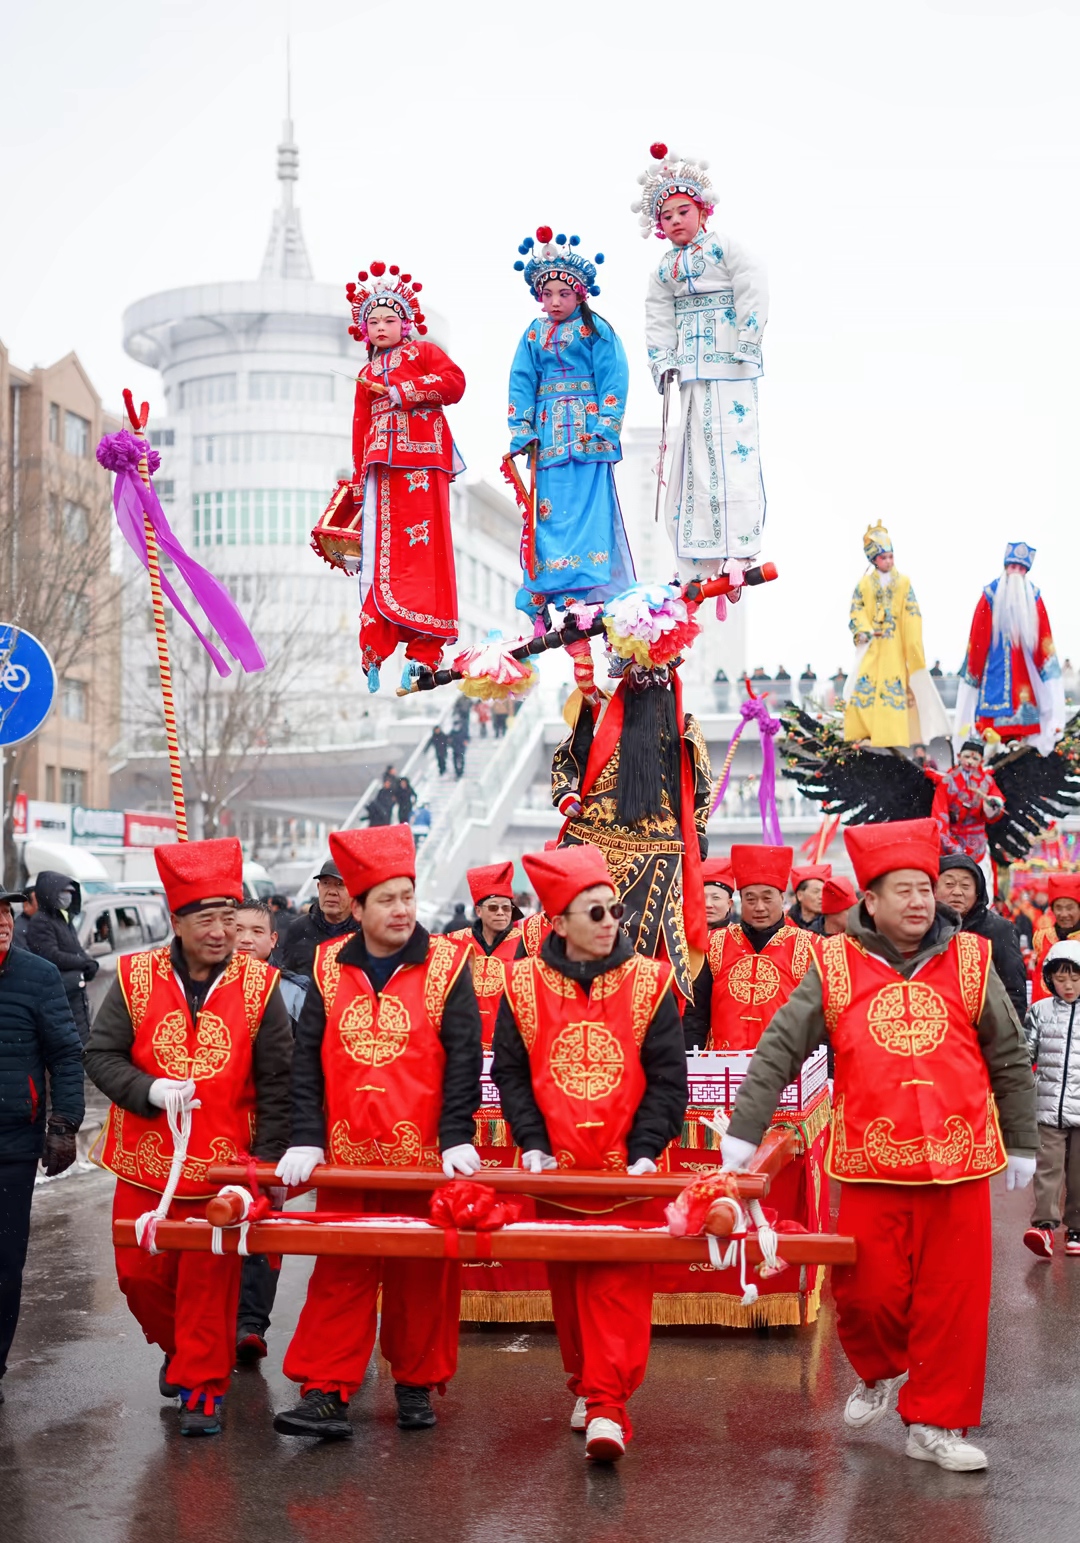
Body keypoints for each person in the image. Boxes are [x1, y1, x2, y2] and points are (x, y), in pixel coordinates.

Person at [722, 817, 1037, 1472]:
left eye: (927, 888)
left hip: (960, 1159)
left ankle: (937, 1422)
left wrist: (1024, 1139)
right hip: (870, 1157)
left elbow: (1007, 1053)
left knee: (954, 1301)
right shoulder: (835, 963)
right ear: (870, 899)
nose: (921, 900)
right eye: (904, 889)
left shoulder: (972, 959)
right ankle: (883, 1371)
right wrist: (744, 1128)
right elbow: (782, 1042)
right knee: (865, 1295)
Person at [272, 824, 483, 1440]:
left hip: (423, 1158)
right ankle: (325, 1390)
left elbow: (463, 1056)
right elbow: (306, 1059)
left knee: (422, 1278)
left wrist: (455, 1136)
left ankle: (415, 1385)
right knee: (342, 1274)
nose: (401, 910)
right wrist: (306, 1136)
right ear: (357, 908)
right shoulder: (328, 966)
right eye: (387, 899)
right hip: (346, 1157)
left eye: (408, 897)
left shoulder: (448, 964)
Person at [83, 838, 292, 1437]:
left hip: (223, 1170)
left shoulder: (261, 987)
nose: (222, 931)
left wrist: (270, 1166)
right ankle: (181, 1349)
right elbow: (101, 1055)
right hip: (143, 1160)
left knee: (210, 1278)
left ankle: (203, 1383)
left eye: (230, 918)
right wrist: (147, 1089)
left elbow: (278, 1079)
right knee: (139, 1276)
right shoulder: (134, 976)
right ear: (176, 921)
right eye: (207, 919)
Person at [492, 845, 687, 1462]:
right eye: (595, 912)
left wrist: (648, 1150)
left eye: (614, 912)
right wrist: (530, 1143)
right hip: (555, 1169)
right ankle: (588, 1385)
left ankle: (609, 1407)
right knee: (571, 1288)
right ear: (558, 923)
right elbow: (512, 1074)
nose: (610, 922)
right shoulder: (521, 983)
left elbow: (666, 1078)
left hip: (626, 1168)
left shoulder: (650, 982)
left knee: (616, 1287)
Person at [315, 263, 466, 692]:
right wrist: (360, 477)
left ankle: (423, 649)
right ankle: (376, 647)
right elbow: (360, 425)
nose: (382, 327)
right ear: (364, 330)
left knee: (423, 551)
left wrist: (406, 392)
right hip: (381, 465)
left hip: (422, 461)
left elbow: (455, 383)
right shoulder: (364, 374)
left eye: (389, 320)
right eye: (373, 322)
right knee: (382, 553)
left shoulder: (422, 354)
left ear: (405, 323)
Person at [636, 142, 767, 584]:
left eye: (681, 211)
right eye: (666, 216)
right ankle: (700, 557)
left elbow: (752, 285)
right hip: (690, 373)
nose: (674, 221)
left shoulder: (725, 247)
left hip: (730, 366)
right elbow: (657, 317)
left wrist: (747, 340)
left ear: (702, 210)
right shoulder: (664, 270)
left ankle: (739, 548)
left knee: (735, 451)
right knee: (694, 462)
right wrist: (663, 360)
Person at [553, 659, 713, 1003]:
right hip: (592, 841)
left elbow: (700, 786)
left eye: (660, 673)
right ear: (625, 673)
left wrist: (698, 829)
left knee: (653, 943)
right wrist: (565, 792)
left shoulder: (684, 725)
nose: (651, 681)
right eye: (642, 672)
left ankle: (650, 1015)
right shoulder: (599, 709)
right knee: (581, 928)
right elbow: (569, 757)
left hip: (660, 851)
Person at [508, 227, 634, 625]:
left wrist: (606, 424)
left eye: (564, 294)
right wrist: (520, 428)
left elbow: (614, 378)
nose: (555, 302)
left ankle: (586, 587)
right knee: (547, 512)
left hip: (587, 435)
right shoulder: (533, 333)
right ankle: (546, 585)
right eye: (547, 294)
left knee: (587, 510)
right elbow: (521, 381)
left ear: (581, 293)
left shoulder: (597, 330)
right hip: (545, 438)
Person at [0, 887, 84, 1406]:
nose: (2, 925)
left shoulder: (38, 975)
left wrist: (65, 1123)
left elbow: (66, 1054)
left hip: (12, 1142)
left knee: (5, 1261)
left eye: (4, 916)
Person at [232, 900, 306, 1364]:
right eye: (237, 928)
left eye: (256, 931)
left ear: (273, 941)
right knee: (214, 1226)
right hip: (217, 1126)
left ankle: (250, 1324)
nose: (245, 939)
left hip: (273, 1128)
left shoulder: (293, 992)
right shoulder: (204, 986)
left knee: (263, 1226)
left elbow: (302, 1066)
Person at [683, 846, 816, 1051]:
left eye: (767, 898)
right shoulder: (714, 944)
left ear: (782, 898)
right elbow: (696, 1013)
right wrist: (692, 1063)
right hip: (721, 1070)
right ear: (738, 902)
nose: (759, 907)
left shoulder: (810, 946)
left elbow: (822, 1016)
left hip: (785, 1071)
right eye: (750, 899)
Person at [954, 541, 1065, 756]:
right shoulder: (991, 594)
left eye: (1021, 569)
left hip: (1025, 670)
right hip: (993, 668)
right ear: (1005, 567)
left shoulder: (1033, 596)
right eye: (1012, 567)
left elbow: (1044, 641)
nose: (1016, 572)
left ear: (1026, 572)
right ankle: (992, 746)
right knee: (991, 717)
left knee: (1024, 711)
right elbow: (977, 638)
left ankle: (1019, 741)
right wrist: (973, 672)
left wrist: (1048, 673)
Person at [844, 524, 950, 748]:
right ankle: (864, 733)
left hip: (895, 646)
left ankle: (892, 737)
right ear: (874, 560)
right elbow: (857, 609)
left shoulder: (904, 583)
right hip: (873, 645)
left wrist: (912, 646)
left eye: (891, 556)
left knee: (892, 689)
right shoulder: (864, 585)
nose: (889, 561)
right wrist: (863, 630)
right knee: (864, 686)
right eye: (884, 557)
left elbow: (912, 613)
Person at [1023, 941, 1080, 1259]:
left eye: (1074, 977)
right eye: (1060, 978)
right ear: (1049, 979)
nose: (1068, 984)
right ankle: (1044, 1226)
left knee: (1079, 1175)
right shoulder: (1040, 1012)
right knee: (1047, 1169)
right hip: (1047, 1107)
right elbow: (1024, 1055)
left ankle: (1077, 1229)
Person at [935, 855, 1028, 1024]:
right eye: (949, 884)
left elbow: (1014, 994)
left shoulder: (1000, 930)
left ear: (977, 893)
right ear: (933, 888)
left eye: (965, 886)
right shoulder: (922, 928)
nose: (957, 892)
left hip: (983, 1031)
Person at [445, 861, 523, 1049]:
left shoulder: (525, 943)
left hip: (507, 1045)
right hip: (463, 1044)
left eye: (506, 908)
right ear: (478, 911)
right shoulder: (455, 942)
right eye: (493, 908)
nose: (501, 914)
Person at [24, 870, 99, 1043]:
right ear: (50, 893)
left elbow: (77, 950)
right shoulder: (41, 921)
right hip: (59, 995)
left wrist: (89, 963)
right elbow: (51, 955)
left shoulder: (63, 920)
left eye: (71, 893)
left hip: (75, 997)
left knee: (82, 1043)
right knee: (67, 1046)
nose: (68, 897)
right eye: (63, 892)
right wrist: (83, 963)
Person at [280, 859, 358, 979]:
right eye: (326, 883)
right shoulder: (299, 929)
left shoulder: (366, 931)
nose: (331, 892)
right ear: (318, 887)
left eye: (340, 884)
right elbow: (287, 978)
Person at [1030, 873, 1080, 1004]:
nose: (1064, 914)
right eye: (1058, 907)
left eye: (1070, 908)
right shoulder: (1042, 937)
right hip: (1045, 1015)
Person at [787, 864, 831, 930]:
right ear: (800, 895)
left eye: (824, 892)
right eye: (816, 892)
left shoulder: (831, 924)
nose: (821, 897)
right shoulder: (786, 923)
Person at [702, 857, 734, 930]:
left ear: (729, 903)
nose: (708, 904)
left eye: (716, 898)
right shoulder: (680, 936)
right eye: (702, 898)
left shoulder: (741, 938)